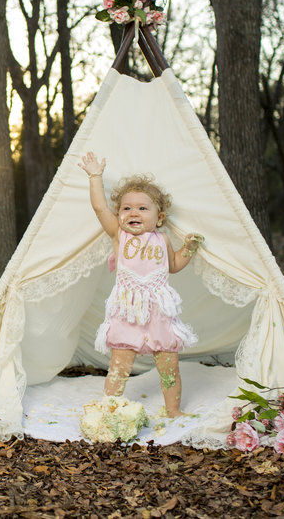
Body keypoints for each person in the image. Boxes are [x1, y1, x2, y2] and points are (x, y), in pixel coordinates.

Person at [77, 151, 203, 418]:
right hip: (128, 311)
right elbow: (100, 207)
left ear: (159, 218)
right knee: (119, 366)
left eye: (142, 208)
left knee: (169, 367)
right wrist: (95, 176)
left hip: (159, 313)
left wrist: (189, 248)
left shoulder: (163, 239)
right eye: (126, 208)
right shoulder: (119, 235)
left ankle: (173, 409)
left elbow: (173, 266)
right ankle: (110, 409)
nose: (133, 212)